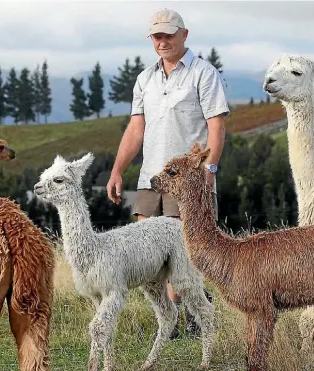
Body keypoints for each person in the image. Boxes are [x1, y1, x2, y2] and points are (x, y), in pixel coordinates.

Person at [106, 8, 229, 339]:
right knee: (149, 257)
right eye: (156, 36)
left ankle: (194, 315)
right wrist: (118, 170)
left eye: (168, 35)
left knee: (185, 254)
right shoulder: (145, 79)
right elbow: (135, 130)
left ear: (184, 35)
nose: (162, 41)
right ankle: (171, 321)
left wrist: (210, 170)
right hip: (149, 179)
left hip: (189, 182)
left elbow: (217, 128)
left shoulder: (204, 74)